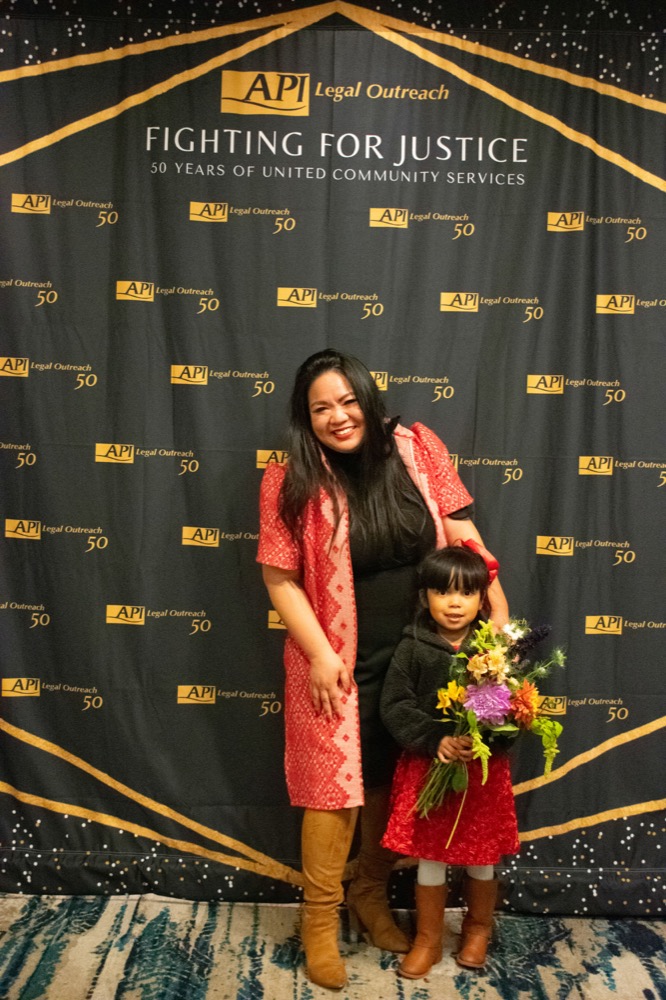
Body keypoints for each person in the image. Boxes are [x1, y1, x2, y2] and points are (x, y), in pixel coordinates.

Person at [257, 349, 508, 990]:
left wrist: (498, 611)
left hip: (424, 654)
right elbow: (280, 579)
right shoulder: (288, 479)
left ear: (368, 399)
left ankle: (370, 893)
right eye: (321, 408)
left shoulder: (420, 448)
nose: (338, 417)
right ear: (304, 417)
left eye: (348, 401)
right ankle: (319, 921)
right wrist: (320, 654)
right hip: (338, 660)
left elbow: (463, 533)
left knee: (395, 777)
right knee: (333, 789)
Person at [380, 545, 520, 979]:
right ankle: (428, 939)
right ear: (425, 596)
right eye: (442, 592)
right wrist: (434, 739)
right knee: (431, 856)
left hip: (481, 772)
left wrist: (487, 739)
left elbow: (516, 708)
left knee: (482, 855)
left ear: (482, 599)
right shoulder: (412, 646)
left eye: (466, 593)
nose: (454, 603)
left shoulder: (494, 649)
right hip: (430, 768)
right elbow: (395, 705)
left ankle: (478, 931)